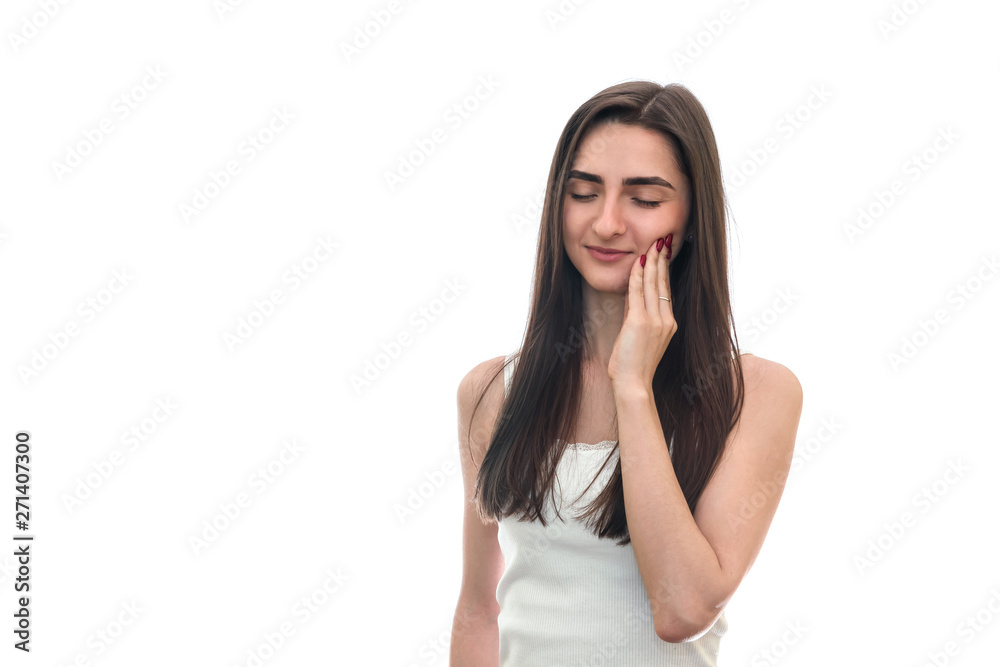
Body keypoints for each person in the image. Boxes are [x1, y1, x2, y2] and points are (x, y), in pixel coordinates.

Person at [450, 80, 803, 666]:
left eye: (644, 200)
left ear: (691, 220)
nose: (607, 223)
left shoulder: (755, 393)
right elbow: (476, 611)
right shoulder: (491, 393)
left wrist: (633, 386)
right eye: (584, 192)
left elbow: (682, 609)